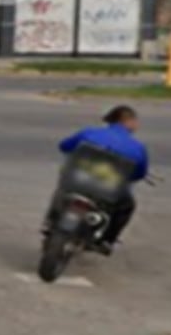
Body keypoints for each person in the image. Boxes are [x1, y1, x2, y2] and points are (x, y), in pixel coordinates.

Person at [57, 105, 149, 253]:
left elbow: (64, 146)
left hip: (77, 180)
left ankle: (51, 221)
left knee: (62, 191)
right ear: (128, 122)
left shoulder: (88, 133)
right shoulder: (137, 147)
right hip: (108, 189)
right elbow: (139, 173)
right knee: (127, 206)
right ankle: (107, 240)